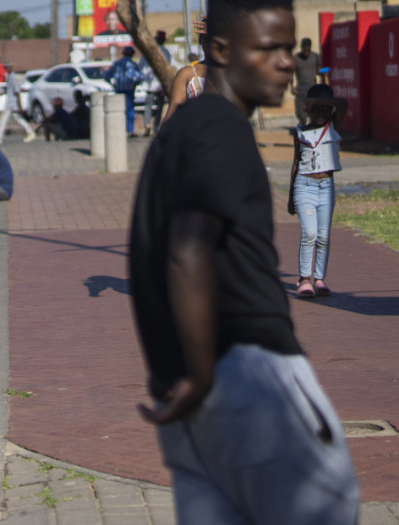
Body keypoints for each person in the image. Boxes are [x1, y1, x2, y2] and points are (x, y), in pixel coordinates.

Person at [128, 0, 359, 523]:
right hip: (250, 375)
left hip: (188, 393)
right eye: (267, 48)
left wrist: (186, 373)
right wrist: (205, 376)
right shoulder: (220, 129)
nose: (283, 63)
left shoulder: (182, 133)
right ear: (221, 51)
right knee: (328, 510)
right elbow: (189, 248)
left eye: (287, 47)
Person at [288, 84, 347, 298]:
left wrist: (324, 103)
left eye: (325, 109)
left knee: (323, 235)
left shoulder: (334, 125)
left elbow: (343, 104)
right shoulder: (300, 132)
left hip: (326, 188)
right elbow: (296, 163)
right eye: (315, 109)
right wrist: (290, 198)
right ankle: (304, 278)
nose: (320, 113)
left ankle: (319, 278)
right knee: (309, 233)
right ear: (308, 109)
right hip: (305, 186)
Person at [162, 18, 209, 122]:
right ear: (201, 42)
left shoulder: (234, 73)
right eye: (207, 38)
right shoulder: (188, 74)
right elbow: (173, 115)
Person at [103, 46, 144, 136]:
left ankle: (120, 130)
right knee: (129, 110)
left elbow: (106, 76)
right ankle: (130, 130)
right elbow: (140, 77)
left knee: (119, 111)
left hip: (119, 90)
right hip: (129, 90)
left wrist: (113, 85)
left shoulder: (117, 63)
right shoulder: (132, 64)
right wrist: (135, 83)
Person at [139, 30, 172, 136]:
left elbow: (141, 67)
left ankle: (147, 124)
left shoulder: (147, 52)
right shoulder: (165, 52)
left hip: (148, 84)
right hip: (159, 84)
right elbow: (167, 68)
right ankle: (155, 127)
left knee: (148, 105)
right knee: (159, 106)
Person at [0, 63, 36, 144]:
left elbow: (17, 92)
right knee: (18, 119)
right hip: (10, 102)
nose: (6, 69)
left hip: (12, 103)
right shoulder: (9, 77)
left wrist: (20, 106)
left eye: (7, 68)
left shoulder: (13, 77)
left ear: (10, 67)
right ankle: (31, 133)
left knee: (3, 119)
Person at [290, 37, 324, 126]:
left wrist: (324, 74)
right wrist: (292, 87)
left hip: (312, 91)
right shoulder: (296, 58)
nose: (306, 53)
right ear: (301, 48)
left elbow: (318, 71)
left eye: (308, 51)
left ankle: (312, 132)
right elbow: (291, 73)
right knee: (301, 115)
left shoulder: (315, 57)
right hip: (300, 91)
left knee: (314, 114)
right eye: (304, 50)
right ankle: (303, 129)